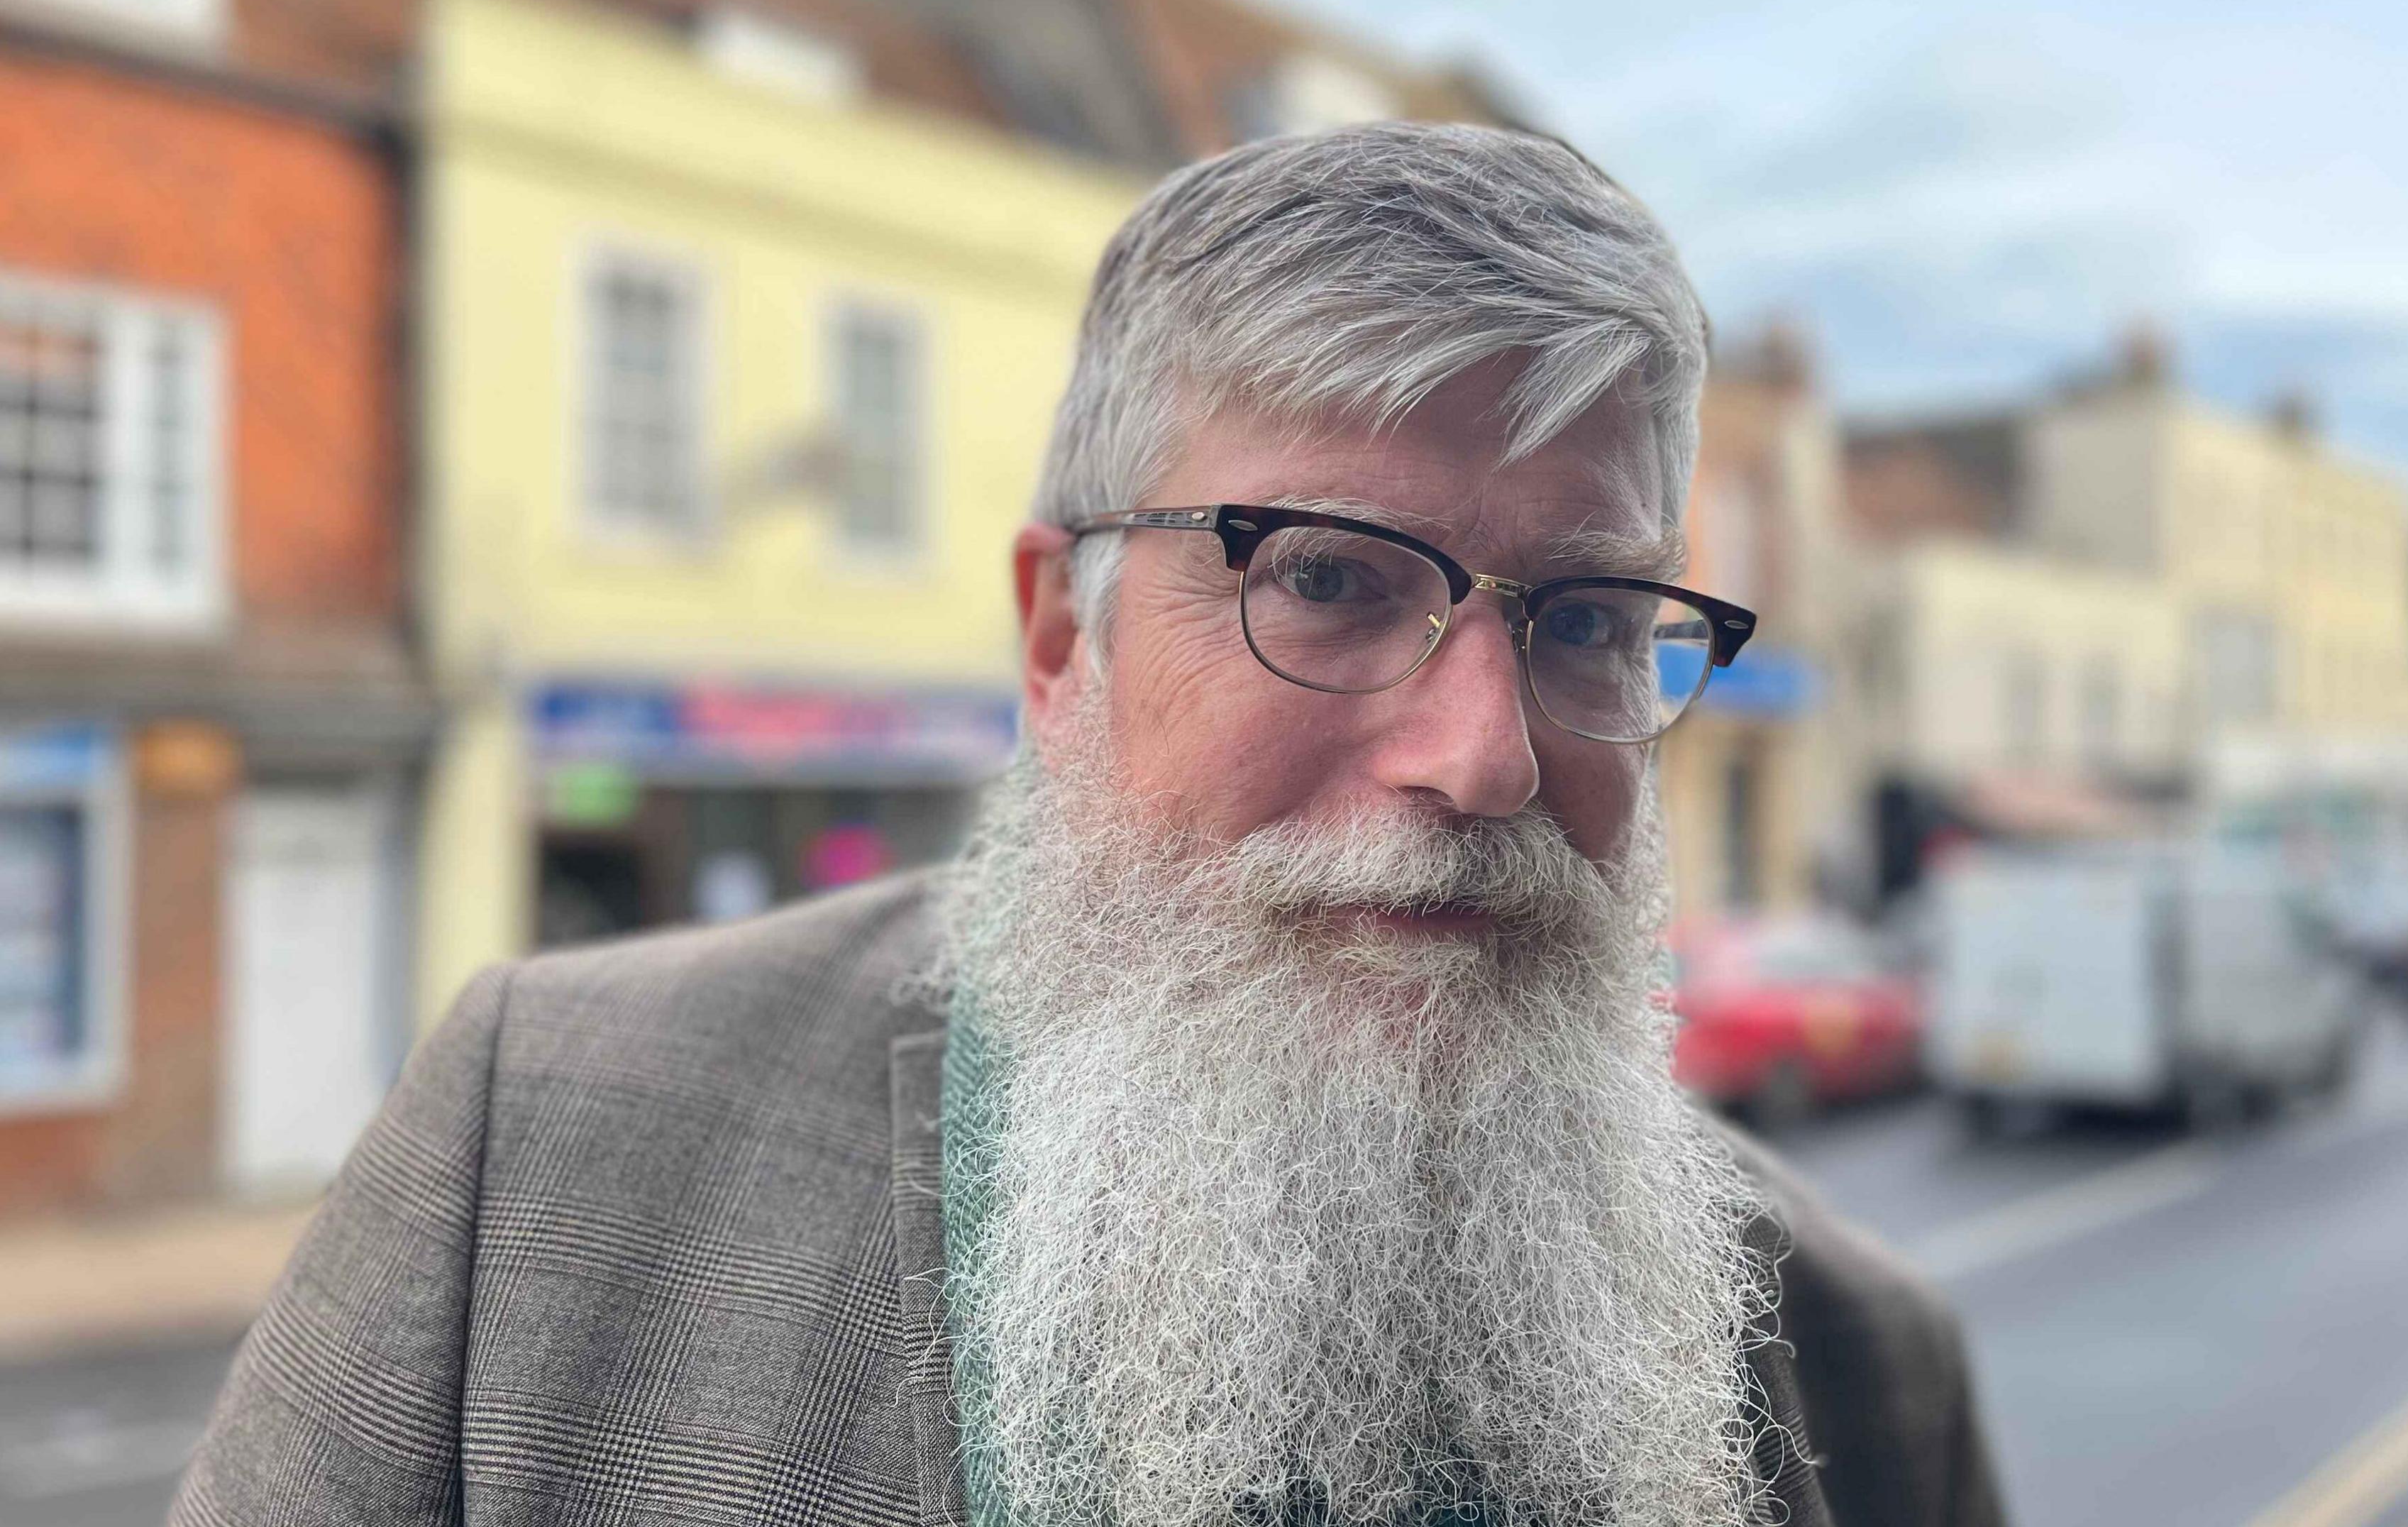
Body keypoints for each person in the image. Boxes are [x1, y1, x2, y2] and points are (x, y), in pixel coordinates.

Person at [173, 122, 2005, 1527]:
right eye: (1327, 580)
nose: (1484, 760)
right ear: (1063, 638)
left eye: (1590, 621)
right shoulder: (545, 1158)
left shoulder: (1866, 1378)